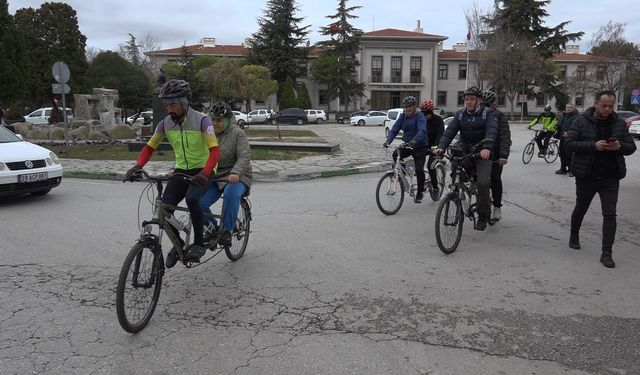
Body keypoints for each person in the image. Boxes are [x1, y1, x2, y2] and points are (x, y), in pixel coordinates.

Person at [124, 79, 220, 268]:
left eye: (173, 104)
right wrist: (138, 166)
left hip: (203, 169)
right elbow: (150, 147)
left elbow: (215, 152)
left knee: (193, 200)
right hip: (181, 169)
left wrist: (205, 173)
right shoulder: (165, 123)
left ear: (185, 102)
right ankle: (179, 245)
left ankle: (199, 243)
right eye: (166, 105)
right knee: (165, 207)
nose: (169, 109)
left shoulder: (202, 120)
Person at [564, 90, 636, 268]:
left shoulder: (619, 123)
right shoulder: (581, 121)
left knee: (610, 214)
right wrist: (593, 146)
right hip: (587, 176)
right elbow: (569, 144)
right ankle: (574, 235)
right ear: (596, 103)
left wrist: (618, 147)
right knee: (581, 208)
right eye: (604, 105)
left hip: (611, 177)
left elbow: (631, 147)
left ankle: (607, 253)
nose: (608, 109)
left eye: (611, 106)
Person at [434, 85, 498, 230]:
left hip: (482, 152)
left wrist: (487, 147)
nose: (469, 102)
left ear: (479, 100)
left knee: (482, 184)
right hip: (465, 150)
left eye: (472, 99)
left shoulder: (488, 114)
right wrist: (441, 147)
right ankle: (457, 192)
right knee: (455, 166)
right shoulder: (460, 114)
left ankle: (483, 215)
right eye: (467, 99)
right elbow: (449, 132)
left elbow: (491, 131)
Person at [200, 102, 252, 247]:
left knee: (230, 193)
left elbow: (244, 156)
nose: (215, 123)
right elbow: (199, 155)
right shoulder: (207, 133)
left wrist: (235, 172)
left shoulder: (238, 133)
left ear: (228, 119)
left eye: (219, 120)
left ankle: (227, 231)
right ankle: (213, 228)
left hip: (238, 175)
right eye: (213, 119)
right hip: (216, 175)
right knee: (199, 202)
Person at [383, 95, 428, 203]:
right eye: (406, 106)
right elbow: (394, 129)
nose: (407, 108)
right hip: (408, 144)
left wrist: (414, 141)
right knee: (395, 154)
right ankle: (402, 177)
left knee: (419, 169)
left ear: (414, 107)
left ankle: (420, 192)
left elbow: (422, 131)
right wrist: (388, 141)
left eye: (410, 106)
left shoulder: (419, 116)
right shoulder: (403, 116)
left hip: (420, 146)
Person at [482, 89, 511, 224]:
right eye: (484, 104)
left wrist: (503, 155)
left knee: (495, 178)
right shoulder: (479, 115)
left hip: (496, 153)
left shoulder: (500, 117)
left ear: (494, 103)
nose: (487, 107)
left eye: (489, 104)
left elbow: (505, 137)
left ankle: (497, 207)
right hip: (480, 153)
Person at [419, 98, 444, 200]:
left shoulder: (438, 121)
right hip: (425, 146)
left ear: (431, 112)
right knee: (417, 161)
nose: (424, 116)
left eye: (426, 114)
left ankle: (435, 187)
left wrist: (436, 147)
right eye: (423, 114)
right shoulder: (422, 120)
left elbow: (440, 135)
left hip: (437, 148)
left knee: (431, 166)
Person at [555, 103, 579, 176]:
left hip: (571, 139)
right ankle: (563, 169)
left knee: (570, 155)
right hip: (562, 138)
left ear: (573, 108)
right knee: (562, 154)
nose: (568, 108)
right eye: (567, 107)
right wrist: (556, 132)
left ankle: (571, 170)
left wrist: (569, 133)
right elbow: (560, 125)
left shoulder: (577, 117)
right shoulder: (563, 116)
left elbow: (577, 128)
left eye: (570, 107)